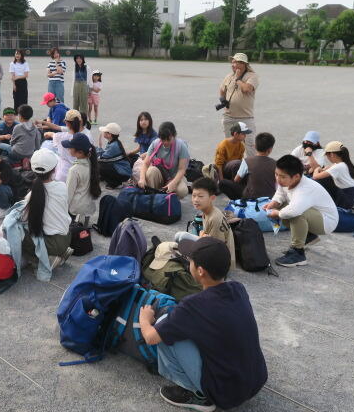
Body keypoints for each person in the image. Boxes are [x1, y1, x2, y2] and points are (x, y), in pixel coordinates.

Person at [139, 237, 267, 411]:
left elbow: (150, 338)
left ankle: (199, 396)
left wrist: (145, 319)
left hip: (225, 394)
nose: (188, 262)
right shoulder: (238, 289)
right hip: (256, 379)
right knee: (186, 329)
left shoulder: (192, 306)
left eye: (190, 260)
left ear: (200, 271)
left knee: (164, 330)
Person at [264, 155, 339, 267]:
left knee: (295, 214)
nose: (278, 179)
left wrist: (278, 213)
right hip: (315, 214)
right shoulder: (287, 181)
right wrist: (274, 203)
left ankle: (298, 253)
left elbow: (293, 211)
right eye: (276, 174)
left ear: (296, 176)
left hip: (327, 221)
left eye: (282, 176)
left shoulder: (304, 189)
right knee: (282, 207)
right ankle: (308, 236)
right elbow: (281, 193)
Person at [22, 149, 73, 269]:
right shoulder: (62, 186)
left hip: (52, 243)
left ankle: (43, 260)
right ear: (54, 169)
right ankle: (60, 252)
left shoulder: (31, 196)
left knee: (17, 231)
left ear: (32, 169)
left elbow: (23, 218)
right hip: (66, 237)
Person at [218, 53, 259, 157]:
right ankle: (231, 165)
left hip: (246, 118)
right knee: (229, 145)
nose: (233, 65)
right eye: (233, 62)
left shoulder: (252, 76)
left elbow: (247, 89)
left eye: (236, 62)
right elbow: (222, 90)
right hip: (229, 117)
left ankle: (251, 165)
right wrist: (223, 100)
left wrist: (238, 79)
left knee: (250, 145)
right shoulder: (229, 76)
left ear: (243, 64)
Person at [188, 178, 235, 267]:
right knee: (180, 237)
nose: (196, 200)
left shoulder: (215, 218)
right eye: (194, 195)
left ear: (212, 198)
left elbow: (216, 248)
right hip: (213, 249)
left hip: (218, 263)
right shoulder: (208, 210)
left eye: (200, 196)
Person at [139, 121, 190, 198]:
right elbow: (146, 163)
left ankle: (171, 200)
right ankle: (154, 197)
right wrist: (142, 179)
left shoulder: (181, 146)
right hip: (161, 175)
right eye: (162, 139)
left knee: (182, 190)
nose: (165, 142)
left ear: (174, 136)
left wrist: (173, 183)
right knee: (151, 171)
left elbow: (182, 169)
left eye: (168, 139)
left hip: (175, 176)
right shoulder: (155, 143)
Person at [218, 132, 276, 200]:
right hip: (271, 197)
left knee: (222, 183)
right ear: (270, 149)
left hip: (251, 197)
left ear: (255, 146)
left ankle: (238, 201)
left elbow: (236, 180)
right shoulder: (275, 163)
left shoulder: (247, 161)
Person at [61, 133, 101, 220]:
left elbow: (68, 195)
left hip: (76, 210)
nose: (68, 149)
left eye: (70, 147)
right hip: (89, 207)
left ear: (80, 152)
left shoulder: (74, 170)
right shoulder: (92, 163)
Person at [312, 141, 354, 209]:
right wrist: (322, 170)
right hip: (351, 194)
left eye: (327, 156)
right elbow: (326, 169)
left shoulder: (338, 167)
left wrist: (316, 169)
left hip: (346, 199)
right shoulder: (343, 163)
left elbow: (315, 177)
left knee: (317, 181)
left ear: (332, 155)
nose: (327, 158)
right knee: (326, 178)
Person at [48, 109, 87, 182]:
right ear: (80, 122)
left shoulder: (60, 136)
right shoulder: (84, 137)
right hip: (79, 171)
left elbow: (52, 134)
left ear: (66, 122)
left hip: (63, 173)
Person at [97, 122, 132, 189]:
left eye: (105, 132)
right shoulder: (113, 142)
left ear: (110, 134)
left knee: (100, 165)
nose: (103, 132)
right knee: (100, 164)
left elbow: (101, 158)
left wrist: (99, 147)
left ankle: (116, 183)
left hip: (123, 173)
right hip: (122, 170)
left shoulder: (113, 145)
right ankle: (107, 178)